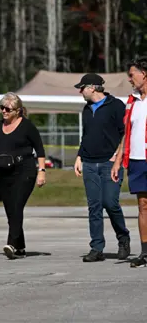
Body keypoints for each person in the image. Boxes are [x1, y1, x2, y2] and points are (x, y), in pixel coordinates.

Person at [0, 92, 46, 259]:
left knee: (17, 207)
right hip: (3, 172)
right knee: (11, 211)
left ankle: (10, 243)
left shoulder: (27, 126)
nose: (3, 111)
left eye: (7, 108)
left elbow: (39, 150)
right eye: (2, 107)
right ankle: (20, 247)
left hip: (24, 171)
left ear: (17, 110)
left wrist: (42, 171)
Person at [74, 73, 130, 263]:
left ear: (92, 87)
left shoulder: (116, 106)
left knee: (110, 202)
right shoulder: (87, 109)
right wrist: (79, 156)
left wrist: (118, 157)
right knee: (94, 206)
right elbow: (86, 135)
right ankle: (97, 248)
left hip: (110, 163)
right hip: (89, 163)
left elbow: (125, 134)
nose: (80, 91)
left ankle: (123, 239)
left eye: (82, 88)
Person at [112, 59, 147, 267]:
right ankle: (145, 251)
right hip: (136, 160)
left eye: (132, 74)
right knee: (143, 206)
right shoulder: (132, 101)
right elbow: (126, 134)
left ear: (144, 74)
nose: (129, 78)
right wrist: (117, 161)